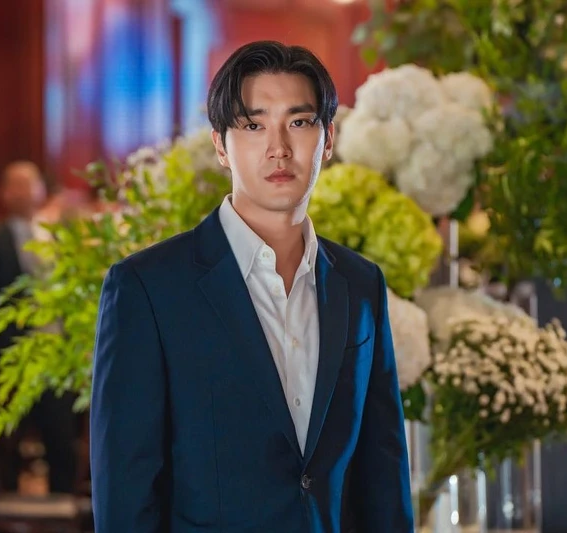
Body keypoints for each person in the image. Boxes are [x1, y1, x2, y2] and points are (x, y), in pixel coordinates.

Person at [90, 41, 413, 532]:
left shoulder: (360, 283)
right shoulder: (147, 288)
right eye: (253, 125)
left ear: (328, 139)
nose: (278, 147)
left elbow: (382, 475)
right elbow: (125, 498)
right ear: (221, 145)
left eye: (299, 122)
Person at [0, 161, 78, 494]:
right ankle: (9, 506)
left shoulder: (58, 235)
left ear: (41, 189)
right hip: (14, 356)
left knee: (62, 439)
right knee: (9, 440)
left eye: (31, 183)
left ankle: (64, 506)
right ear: (3, 192)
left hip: (57, 355)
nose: (24, 191)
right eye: (16, 184)